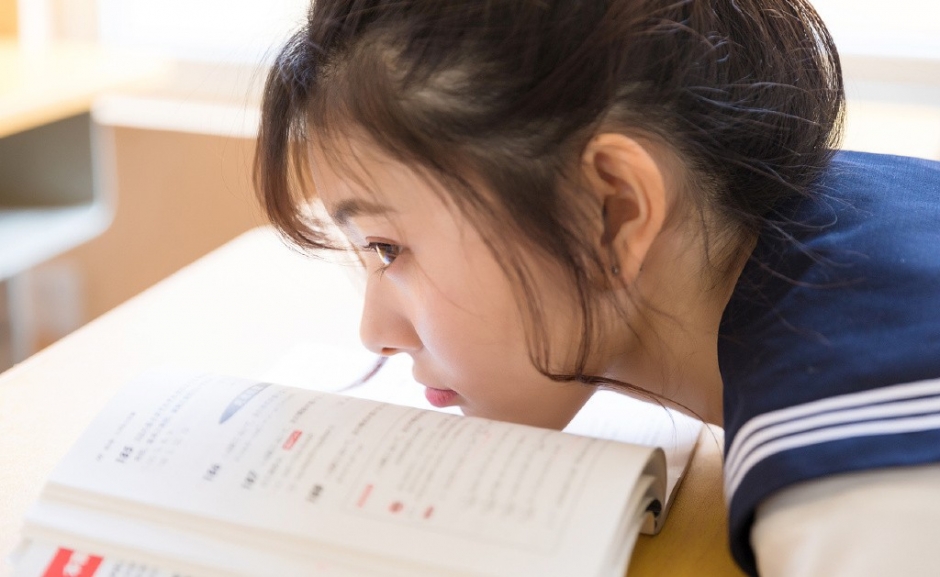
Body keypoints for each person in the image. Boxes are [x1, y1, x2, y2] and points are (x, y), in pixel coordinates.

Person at [253, 1, 940, 575]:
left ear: (612, 210)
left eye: (389, 248)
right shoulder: (858, 196)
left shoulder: (858, 496)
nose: (375, 331)